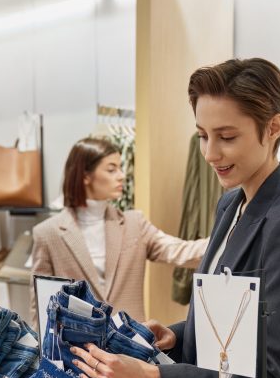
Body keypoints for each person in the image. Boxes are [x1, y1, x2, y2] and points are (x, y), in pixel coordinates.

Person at [69, 58, 280, 378]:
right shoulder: (231, 204)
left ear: (274, 127)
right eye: (203, 136)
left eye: (226, 137)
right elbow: (231, 321)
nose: (210, 153)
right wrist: (177, 335)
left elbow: (271, 368)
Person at [30, 137, 208, 325]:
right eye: (111, 169)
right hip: (76, 349)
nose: (121, 175)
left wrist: (228, 239)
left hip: (130, 346)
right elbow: (41, 306)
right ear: (85, 175)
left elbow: (179, 251)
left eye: (120, 167)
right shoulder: (48, 233)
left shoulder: (134, 223)